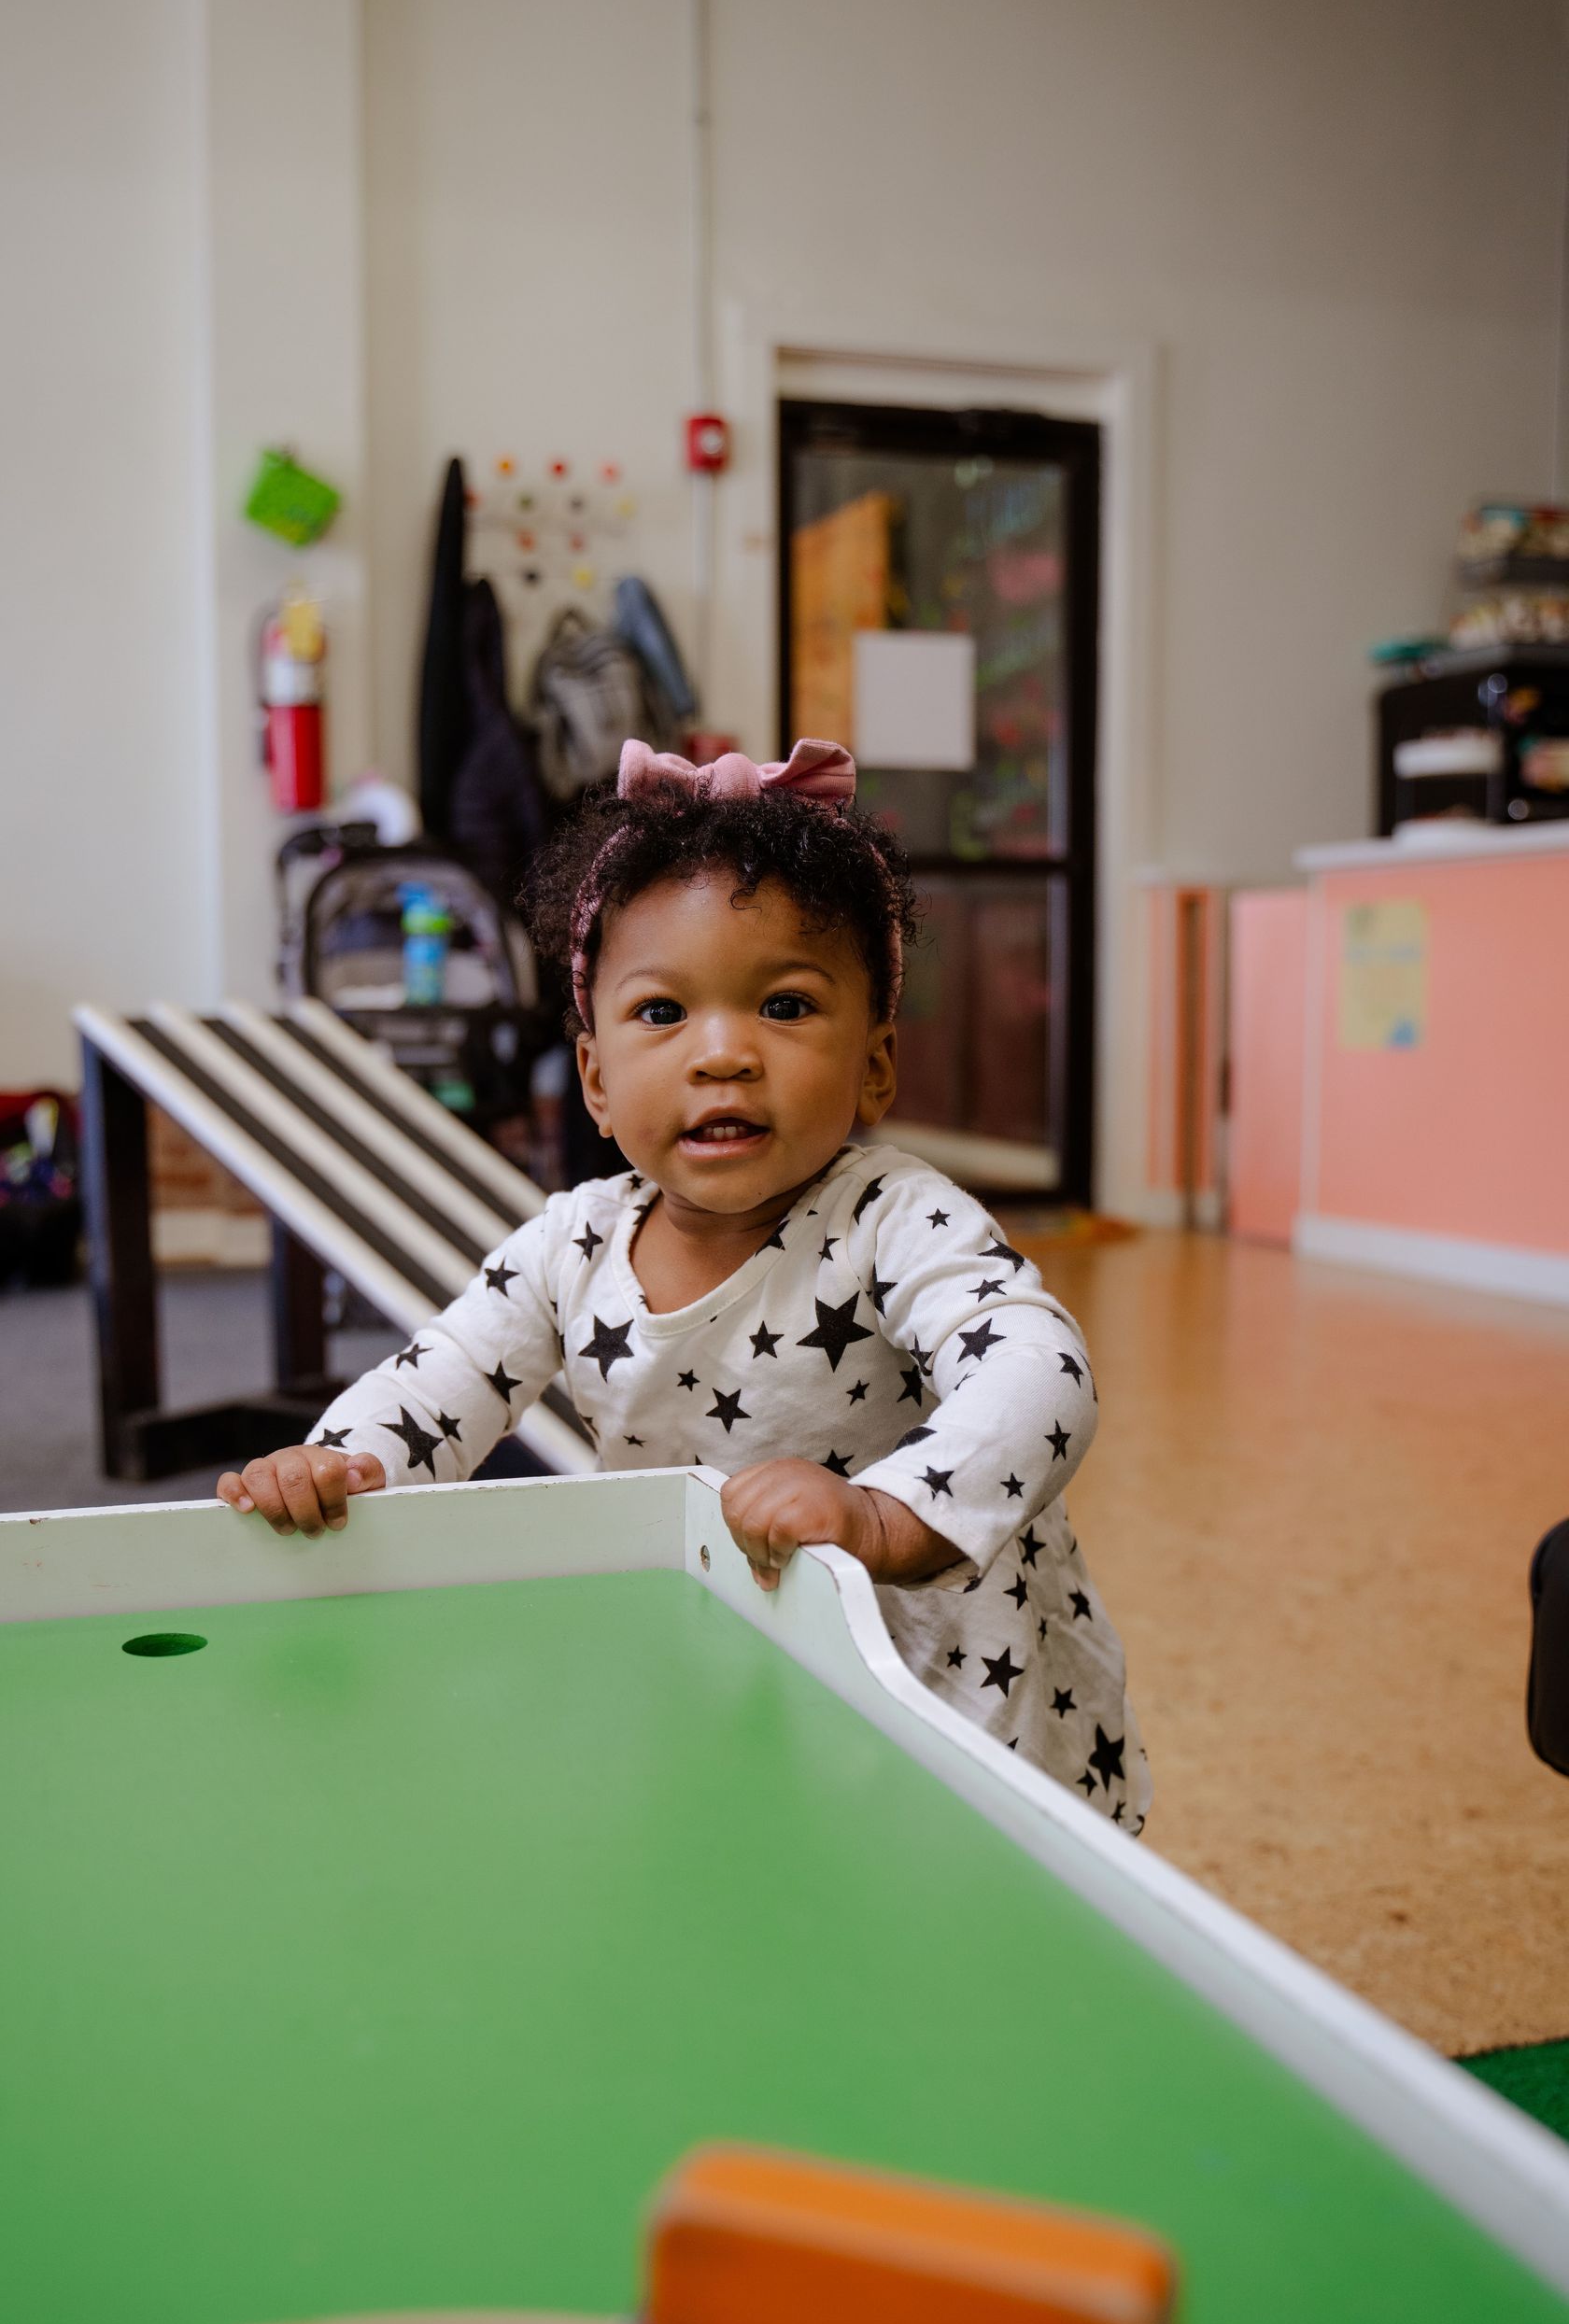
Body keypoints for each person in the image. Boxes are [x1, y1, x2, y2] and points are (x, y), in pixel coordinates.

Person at [219, 739, 1148, 1827]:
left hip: (951, 1679)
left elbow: (1041, 1370)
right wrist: (343, 1461)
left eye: (787, 1007)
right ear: (597, 1079)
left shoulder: (894, 1218)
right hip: (733, 1636)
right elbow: (445, 1376)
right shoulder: (572, 1243)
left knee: (953, 1911)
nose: (723, 1054)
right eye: (663, 1012)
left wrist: (884, 1515)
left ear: (878, 1062)